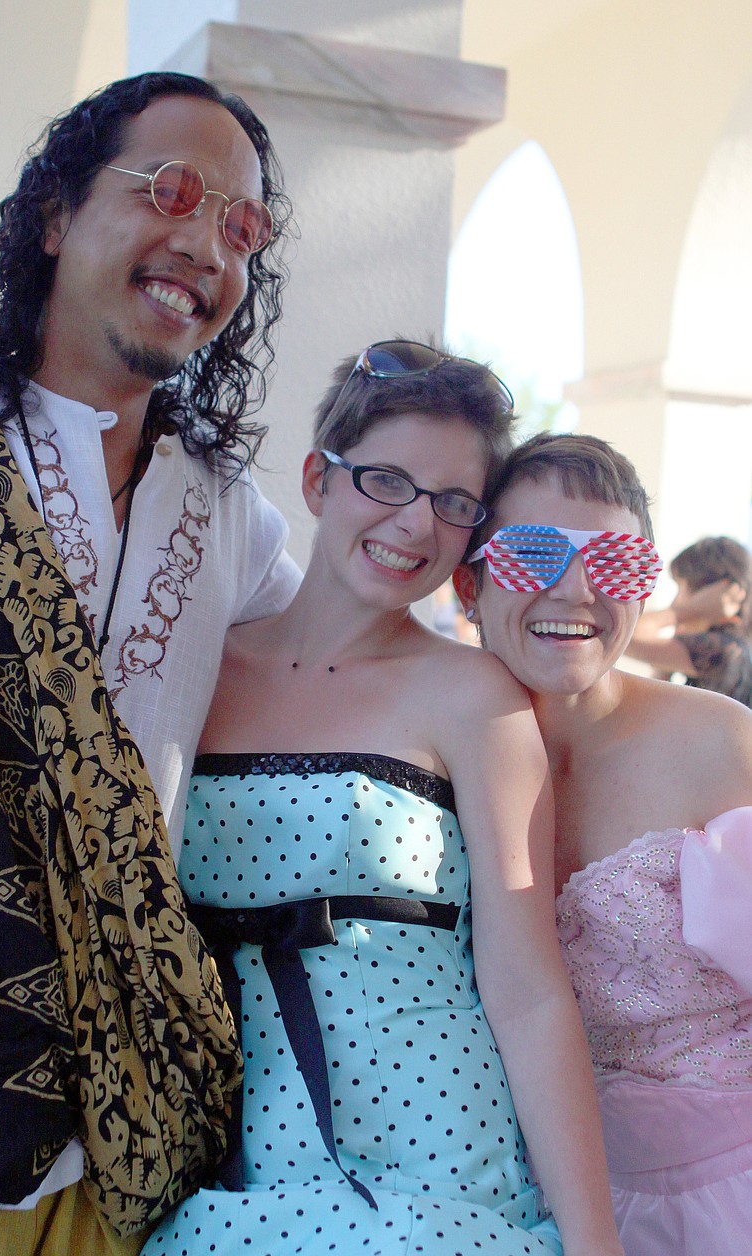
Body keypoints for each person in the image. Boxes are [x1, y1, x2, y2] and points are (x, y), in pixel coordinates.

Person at [0, 71, 299, 1255]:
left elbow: (364, 674)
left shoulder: (236, 522)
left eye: (241, 227)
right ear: (55, 214)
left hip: (106, 1124)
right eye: (170, 191)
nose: (205, 245)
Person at [144, 341, 623, 1256]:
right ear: (320, 479)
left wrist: (593, 1239)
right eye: (387, 481)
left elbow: (525, 989)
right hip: (220, 1139)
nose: (415, 525)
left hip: (431, 1150)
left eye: (453, 504)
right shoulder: (197, 667)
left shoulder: (474, 697)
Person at [455, 433, 752, 1254]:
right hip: (517, 1200)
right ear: (469, 580)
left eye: (616, 563)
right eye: (533, 553)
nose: (575, 588)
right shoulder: (427, 757)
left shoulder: (721, 745)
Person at [624, 535, 752, 707]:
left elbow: (625, 635)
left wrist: (682, 612)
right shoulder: (729, 647)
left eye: (681, 588)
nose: (674, 601)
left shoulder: (724, 649)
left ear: (713, 592)